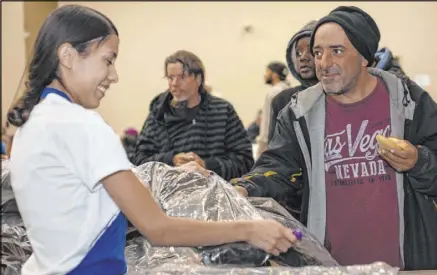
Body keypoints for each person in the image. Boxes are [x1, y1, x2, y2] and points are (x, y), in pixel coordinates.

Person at [7, 5, 297, 275]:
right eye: (107, 61)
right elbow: (158, 228)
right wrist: (249, 229)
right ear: (68, 56)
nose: (114, 75)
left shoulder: (29, 124)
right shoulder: (82, 125)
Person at [232, 6, 437, 270]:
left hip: (406, 264)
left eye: (337, 51)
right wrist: (242, 188)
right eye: (318, 52)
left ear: (364, 56)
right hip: (329, 265)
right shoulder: (299, 113)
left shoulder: (408, 103)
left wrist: (418, 161)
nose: (324, 63)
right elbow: (278, 168)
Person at [133, 50, 254, 181]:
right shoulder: (158, 114)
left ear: (198, 78)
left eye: (182, 77)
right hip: (169, 197)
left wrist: (206, 165)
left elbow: (245, 162)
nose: (174, 84)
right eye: (170, 77)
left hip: (214, 195)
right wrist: (172, 160)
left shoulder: (223, 111)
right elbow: (140, 161)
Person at [268, 20, 319, 142]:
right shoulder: (282, 101)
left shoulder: (340, 97)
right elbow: (274, 153)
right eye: (298, 53)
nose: (303, 57)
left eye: (311, 50)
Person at [257, 62, 290, 157]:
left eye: (267, 72)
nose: (265, 75)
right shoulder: (289, 90)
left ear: (275, 75)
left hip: (271, 145)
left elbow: (268, 122)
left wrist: (262, 146)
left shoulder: (273, 93)